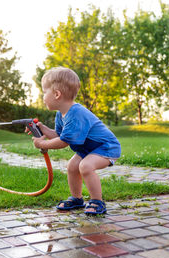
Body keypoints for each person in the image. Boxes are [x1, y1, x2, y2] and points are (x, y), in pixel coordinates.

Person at [28, 67, 121, 215]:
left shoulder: (76, 113)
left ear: (57, 94)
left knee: (85, 166)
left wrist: (42, 144)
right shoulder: (61, 114)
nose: (43, 96)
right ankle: (77, 199)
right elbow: (59, 135)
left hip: (106, 148)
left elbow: (63, 142)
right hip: (88, 149)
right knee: (72, 166)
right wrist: (43, 129)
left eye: (45, 92)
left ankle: (97, 201)